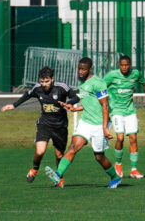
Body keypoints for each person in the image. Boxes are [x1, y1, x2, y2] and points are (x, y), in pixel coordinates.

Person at [45, 57, 121, 189]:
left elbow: (105, 106)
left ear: (89, 69)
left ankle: (115, 177)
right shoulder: (82, 83)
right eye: (79, 68)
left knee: (99, 157)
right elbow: (90, 103)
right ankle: (58, 175)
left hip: (98, 124)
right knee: (73, 147)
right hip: (85, 121)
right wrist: (75, 108)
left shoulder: (98, 83)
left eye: (83, 69)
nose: (80, 71)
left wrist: (105, 127)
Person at [0, 66, 78, 183]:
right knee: (40, 151)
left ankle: (59, 177)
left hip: (60, 126)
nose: (44, 84)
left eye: (47, 81)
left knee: (59, 156)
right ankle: (35, 169)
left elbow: (75, 97)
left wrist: (68, 103)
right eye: (42, 81)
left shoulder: (62, 87)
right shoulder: (37, 88)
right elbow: (27, 95)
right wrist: (14, 105)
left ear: (52, 79)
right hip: (44, 124)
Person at [103, 55, 145, 179]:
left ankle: (134, 169)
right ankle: (118, 164)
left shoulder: (135, 74)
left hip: (130, 111)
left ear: (130, 65)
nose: (124, 67)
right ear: (119, 65)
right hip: (116, 110)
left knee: (133, 138)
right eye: (122, 65)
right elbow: (101, 87)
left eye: (126, 65)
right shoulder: (111, 75)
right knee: (119, 138)